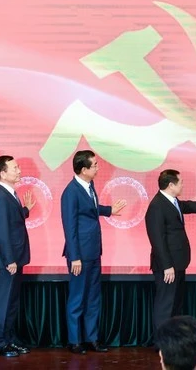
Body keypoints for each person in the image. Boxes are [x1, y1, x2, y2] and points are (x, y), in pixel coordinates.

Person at [60, 150, 126, 354]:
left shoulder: (89, 186)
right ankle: (74, 340)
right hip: (80, 255)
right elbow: (69, 227)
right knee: (77, 298)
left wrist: (109, 211)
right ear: (83, 169)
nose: (98, 168)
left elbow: (90, 209)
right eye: (95, 165)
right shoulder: (71, 192)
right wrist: (75, 257)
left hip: (94, 251)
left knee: (93, 298)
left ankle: (92, 338)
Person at [145, 169, 196, 331]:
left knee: (175, 304)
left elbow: (187, 206)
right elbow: (157, 240)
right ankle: (162, 340)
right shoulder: (157, 206)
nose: (183, 185)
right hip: (167, 267)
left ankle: (173, 339)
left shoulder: (172, 201)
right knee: (166, 305)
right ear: (171, 185)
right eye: (181, 182)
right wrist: (167, 265)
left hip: (178, 263)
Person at [0, 155, 35, 357]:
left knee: (12, 303)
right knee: (3, 302)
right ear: (3, 173)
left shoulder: (9, 193)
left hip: (15, 258)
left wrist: (25, 210)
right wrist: (9, 260)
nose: (19, 171)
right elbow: (2, 231)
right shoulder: (0, 196)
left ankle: (9, 339)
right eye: (15, 168)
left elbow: (12, 219)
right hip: (7, 261)